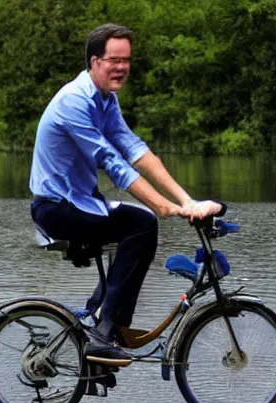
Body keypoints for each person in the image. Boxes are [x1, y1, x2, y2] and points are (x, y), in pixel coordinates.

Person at [29, 23, 222, 367]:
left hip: (78, 203)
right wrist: (162, 206)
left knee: (138, 222)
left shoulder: (105, 99)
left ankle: (99, 329)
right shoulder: (74, 101)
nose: (122, 67)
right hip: (56, 209)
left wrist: (186, 200)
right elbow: (111, 162)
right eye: (113, 60)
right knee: (142, 224)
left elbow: (134, 149)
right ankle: (105, 333)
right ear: (94, 62)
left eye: (127, 60)